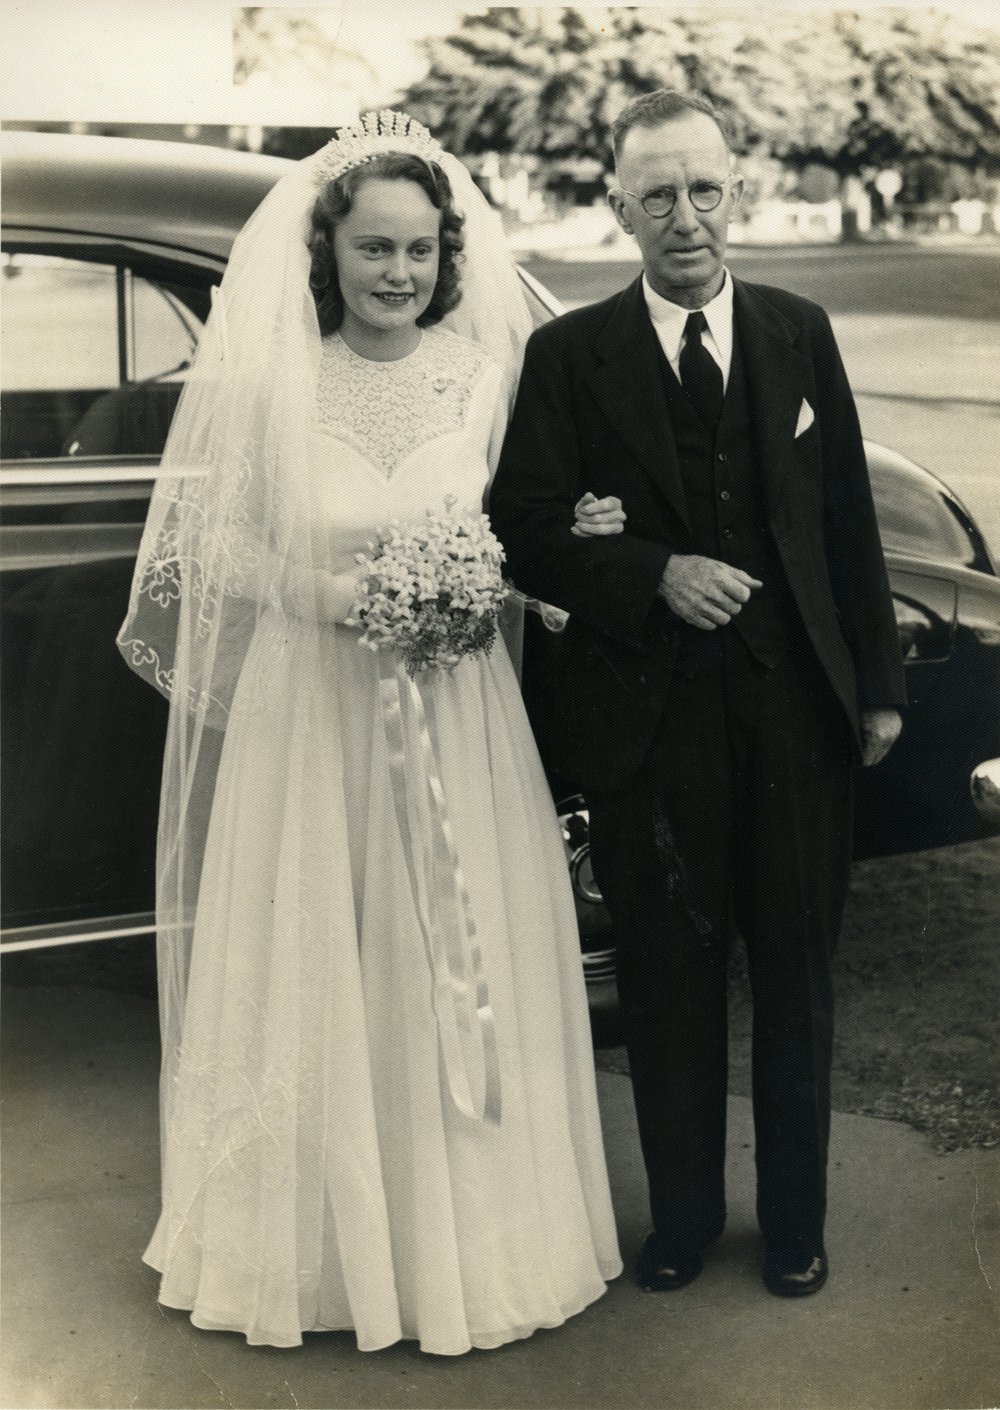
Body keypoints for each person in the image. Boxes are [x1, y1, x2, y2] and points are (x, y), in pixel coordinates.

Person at [117, 110, 621, 1354]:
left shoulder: (481, 375)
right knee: (323, 953)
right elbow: (214, 547)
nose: (395, 274)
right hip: (318, 716)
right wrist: (336, 595)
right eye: (370, 251)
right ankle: (325, 1257)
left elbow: (528, 520)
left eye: (415, 252)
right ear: (327, 255)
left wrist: (501, 570)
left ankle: (469, 1247)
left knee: (453, 951)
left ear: (446, 257)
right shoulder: (274, 380)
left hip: (456, 712)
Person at [490, 89, 906, 1299]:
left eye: (705, 189)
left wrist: (873, 690)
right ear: (618, 206)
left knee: (795, 976)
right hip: (646, 724)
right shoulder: (568, 355)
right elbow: (521, 527)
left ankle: (793, 1228)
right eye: (657, 195)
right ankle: (678, 1224)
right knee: (669, 983)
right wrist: (650, 573)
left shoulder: (797, 331)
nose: (686, 219)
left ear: (743, 191)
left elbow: (844, 526)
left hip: (794, 722)